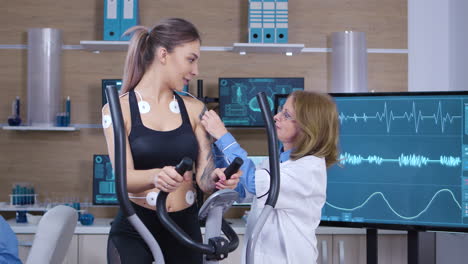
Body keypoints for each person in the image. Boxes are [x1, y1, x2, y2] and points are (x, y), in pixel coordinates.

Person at [102, 18, 240, 264]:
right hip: (135, 227)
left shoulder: (195, 108)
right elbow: (124, 179)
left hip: (184, 227)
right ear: (164, 54)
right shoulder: (118, 108)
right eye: (191, 58)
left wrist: (218, 178)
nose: (196, 70)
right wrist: (156, 176)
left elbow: (204, 178)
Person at [201, 90, 340, 264]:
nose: (276, 116)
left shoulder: (308, 169)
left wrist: (223, 135)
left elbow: (254, 182)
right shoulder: (275, 161)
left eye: (286, 114)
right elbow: (246, 192)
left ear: (307, 126)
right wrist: (224, 168)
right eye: (281, 110)